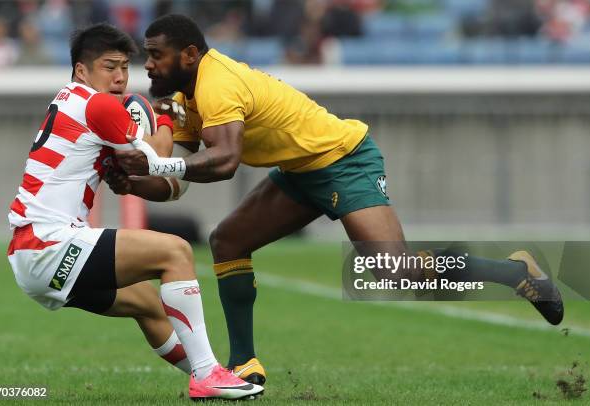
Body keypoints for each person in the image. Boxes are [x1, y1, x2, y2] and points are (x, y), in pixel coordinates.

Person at [113, 14, 564, 386]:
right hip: (301, 172)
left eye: (155, 55)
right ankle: (245, 364)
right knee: (228, 241)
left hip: (344, 159)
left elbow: (226, 161)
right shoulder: (187, 97)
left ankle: (515, 271)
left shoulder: (216, 83)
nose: (148, 65)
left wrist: (159, 164)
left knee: (395, 272)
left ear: (189, 54)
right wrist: (133, 179)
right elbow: (179, 181)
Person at [6, 22, 263, 401]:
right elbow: (158, 157)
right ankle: (208, 375)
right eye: (109, 67)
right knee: (174, 252)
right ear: (81, 70)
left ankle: (212, 374)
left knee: (146, 302)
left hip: (30, 254)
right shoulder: (97, 104)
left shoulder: (70, 99)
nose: (121, 77)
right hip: (50, 244)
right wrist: (165, 115)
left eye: (125, 67)